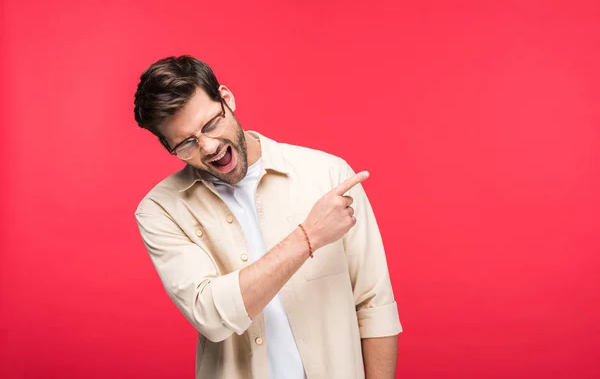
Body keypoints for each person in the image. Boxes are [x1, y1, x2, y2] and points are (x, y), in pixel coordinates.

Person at [133, 55, 402, 379]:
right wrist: (308, 237)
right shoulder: (161, 211)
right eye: (187, 143)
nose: (208, 146)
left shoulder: (328, 175)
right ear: (168, 147)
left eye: (211, 124)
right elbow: (211, 315)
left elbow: (374, 305)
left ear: (227, 99)